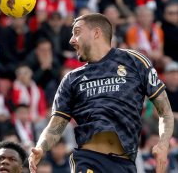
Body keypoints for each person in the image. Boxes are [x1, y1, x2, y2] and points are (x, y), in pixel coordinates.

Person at [28, 13, 174, 173]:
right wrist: (41, 147)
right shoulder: (71, 79)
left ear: (96, 33)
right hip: (88, 161)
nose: (71, 40)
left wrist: (163, 143)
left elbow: (165, 112)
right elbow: (55, 124)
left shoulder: (134, 61)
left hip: (124, 164)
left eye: (77, 32)